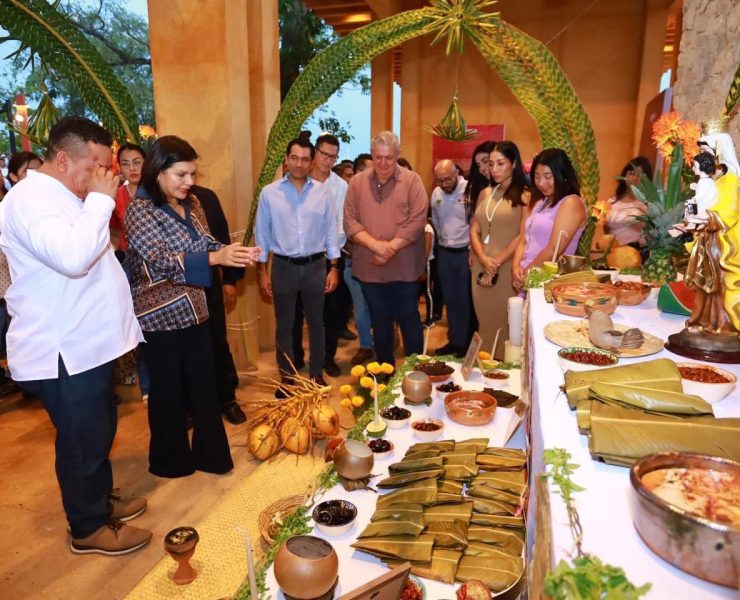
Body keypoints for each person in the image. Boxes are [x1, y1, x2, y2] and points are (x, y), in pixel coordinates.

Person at [0, 116, 151, 555]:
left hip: (89, 343)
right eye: (96, 168)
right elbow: (72, 257)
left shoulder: (66, 193)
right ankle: (86, 528)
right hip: (62, 347)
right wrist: (102, 203)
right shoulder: (30, 200)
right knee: (81, 441)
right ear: (64, 159)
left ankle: (99, 503)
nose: (102, 179)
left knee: (99, 429)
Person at [125, 135, 258, 478]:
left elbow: (206, 242)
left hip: (196, 307)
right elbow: (157, 258)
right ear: (158, 171)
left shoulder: (193, 203)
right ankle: (171, 462)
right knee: (168, 391)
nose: (189, 182)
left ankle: (210, 456)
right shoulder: (140, 210)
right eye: (181, 174)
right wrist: (215, 256)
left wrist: (233, 252)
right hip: (160, 316)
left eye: (192, 174)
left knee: (203, 383)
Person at [255, 138, 340, 390]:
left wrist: (334, 267)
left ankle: (316, 373)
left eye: (305, 159)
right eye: (295, 158)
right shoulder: (270, 193)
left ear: (311, 161)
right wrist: (262, 272)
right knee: (284, 324)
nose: (300, 164)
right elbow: (262, 235)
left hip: (316, 266)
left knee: (316, 323)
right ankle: (287, 376)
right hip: (283, 267)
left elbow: (330, 232)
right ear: (287, 159)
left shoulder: (323, 192)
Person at [344, 131, 428, 365]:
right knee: (379, 323)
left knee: (410, 320)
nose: (383, 163)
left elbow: (418, 220)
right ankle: (385, 378)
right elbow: (350, 220)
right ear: (372, 155)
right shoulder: (357, 183)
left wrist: (389, 249)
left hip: (405, 269)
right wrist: (376, 246)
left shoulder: (413, 181)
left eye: (389, 158)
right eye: (378, 157)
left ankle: (415, 376)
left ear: (398, 155)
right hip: (370, 269)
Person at [291, 134, 352, 377]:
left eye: (332, 156)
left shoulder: (340, 186)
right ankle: (295, 358)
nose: (327, 160)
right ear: (315, 152)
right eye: (324, 154)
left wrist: (331, 255)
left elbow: (340, 224)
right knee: (295, 312)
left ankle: (328, 358)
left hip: (330, 256)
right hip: (296, 257)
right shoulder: (297, 180)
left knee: (331, 313)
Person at [191, 184, 247, 425]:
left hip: (210, 284)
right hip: (177, 292)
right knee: (188, 351)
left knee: (217, 342)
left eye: (191, 172)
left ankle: (227, 399)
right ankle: (192, 406)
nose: (187, 179)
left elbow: (221, 239)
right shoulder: (153, 202)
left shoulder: (206, 197)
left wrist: (231, 281)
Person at [470, 141, 530, 351]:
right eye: (491, 163)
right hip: (481, 267)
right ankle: (485, 369)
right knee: (484, 321)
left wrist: (495, 263)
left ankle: (504, 374)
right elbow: (474, 229)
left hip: (506, 269)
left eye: (500, 163)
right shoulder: (486, 193)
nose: (494, 169)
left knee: (505, 324)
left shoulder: (526, 195)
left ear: (513, 163)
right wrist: (482, 259)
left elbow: (523, 234)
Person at [512, 148, 586, 290]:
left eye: (547, 176)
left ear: (562, 174)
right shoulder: (540, 202)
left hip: (550, 283)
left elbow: (554, 249)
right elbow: (524, 238)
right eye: (537, 176)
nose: (541, 183)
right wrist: (515, 267)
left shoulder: (571, 202)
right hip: (529, 277)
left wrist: (528, 272)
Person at [431, 159, 473, 356]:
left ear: (457, 172)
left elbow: (475, 223)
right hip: (445, 253)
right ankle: (454, 341)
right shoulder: (436, 193)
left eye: (447, 179)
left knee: (465, 300)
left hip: (465, 252)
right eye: (439, 180)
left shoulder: (469, 190)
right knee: (450, 299)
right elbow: (436, 221)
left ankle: (466, 344)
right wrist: (443, 240)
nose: (444, 184)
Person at [599, 156, 652, 247]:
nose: (635, 178)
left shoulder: (647, 205)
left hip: (634, 253)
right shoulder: (612, 202)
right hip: (611, 252)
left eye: (640, 175)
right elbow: (606, 231)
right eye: (632, 173)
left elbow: (649, 235)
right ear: (625, 175)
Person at [111, 143, 145, 253]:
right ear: (119, 168)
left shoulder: (158, 192)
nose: (132, 168)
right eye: (125, 164)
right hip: (128, 256)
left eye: (137, 162)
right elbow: (114, 231)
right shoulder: (115, 195)